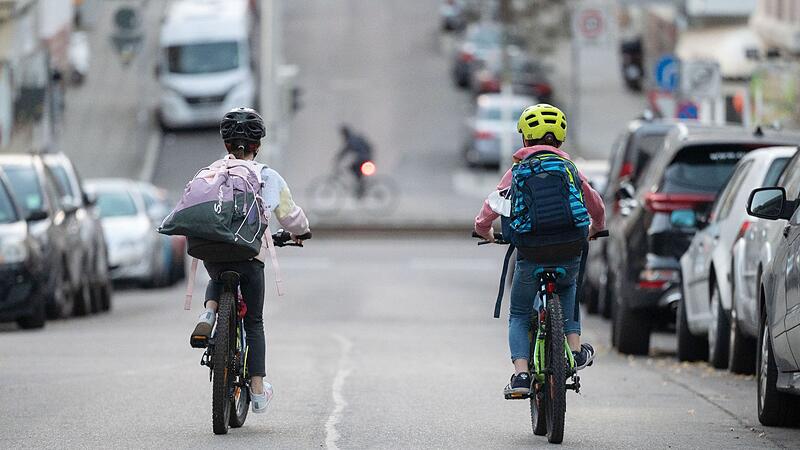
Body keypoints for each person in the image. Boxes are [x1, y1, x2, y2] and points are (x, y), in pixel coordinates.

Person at [473, 103, 605, 397]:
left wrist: (484, 230)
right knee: (568, 292)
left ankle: (521, 375)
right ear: (560, 139)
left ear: (524, 139)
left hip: (531, 252)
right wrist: (596, 226)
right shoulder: (569, 168)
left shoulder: (518, 169)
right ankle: (575, 350)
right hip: (571, 245)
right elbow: (594, 202)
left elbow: (490, 206)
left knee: (519, 313)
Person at [190, 107, 311, 414]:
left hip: (214, 253)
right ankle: (257, 391)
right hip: (249, 255)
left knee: (216, 274)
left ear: (226, 143)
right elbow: (291, 215)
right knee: (254, 322)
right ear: (258, 144)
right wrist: (302, 232)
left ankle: (209, 314)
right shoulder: (267, 177)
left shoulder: (210, 172)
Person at [336, 124, 373, 198]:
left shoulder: (352, 140)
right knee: (354, 170)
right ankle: (360, 186)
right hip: (365, 158)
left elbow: (346, 150)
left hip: (363, 159)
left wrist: (338, 158)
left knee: (352, 168)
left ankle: (360, 189)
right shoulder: (354, 138)